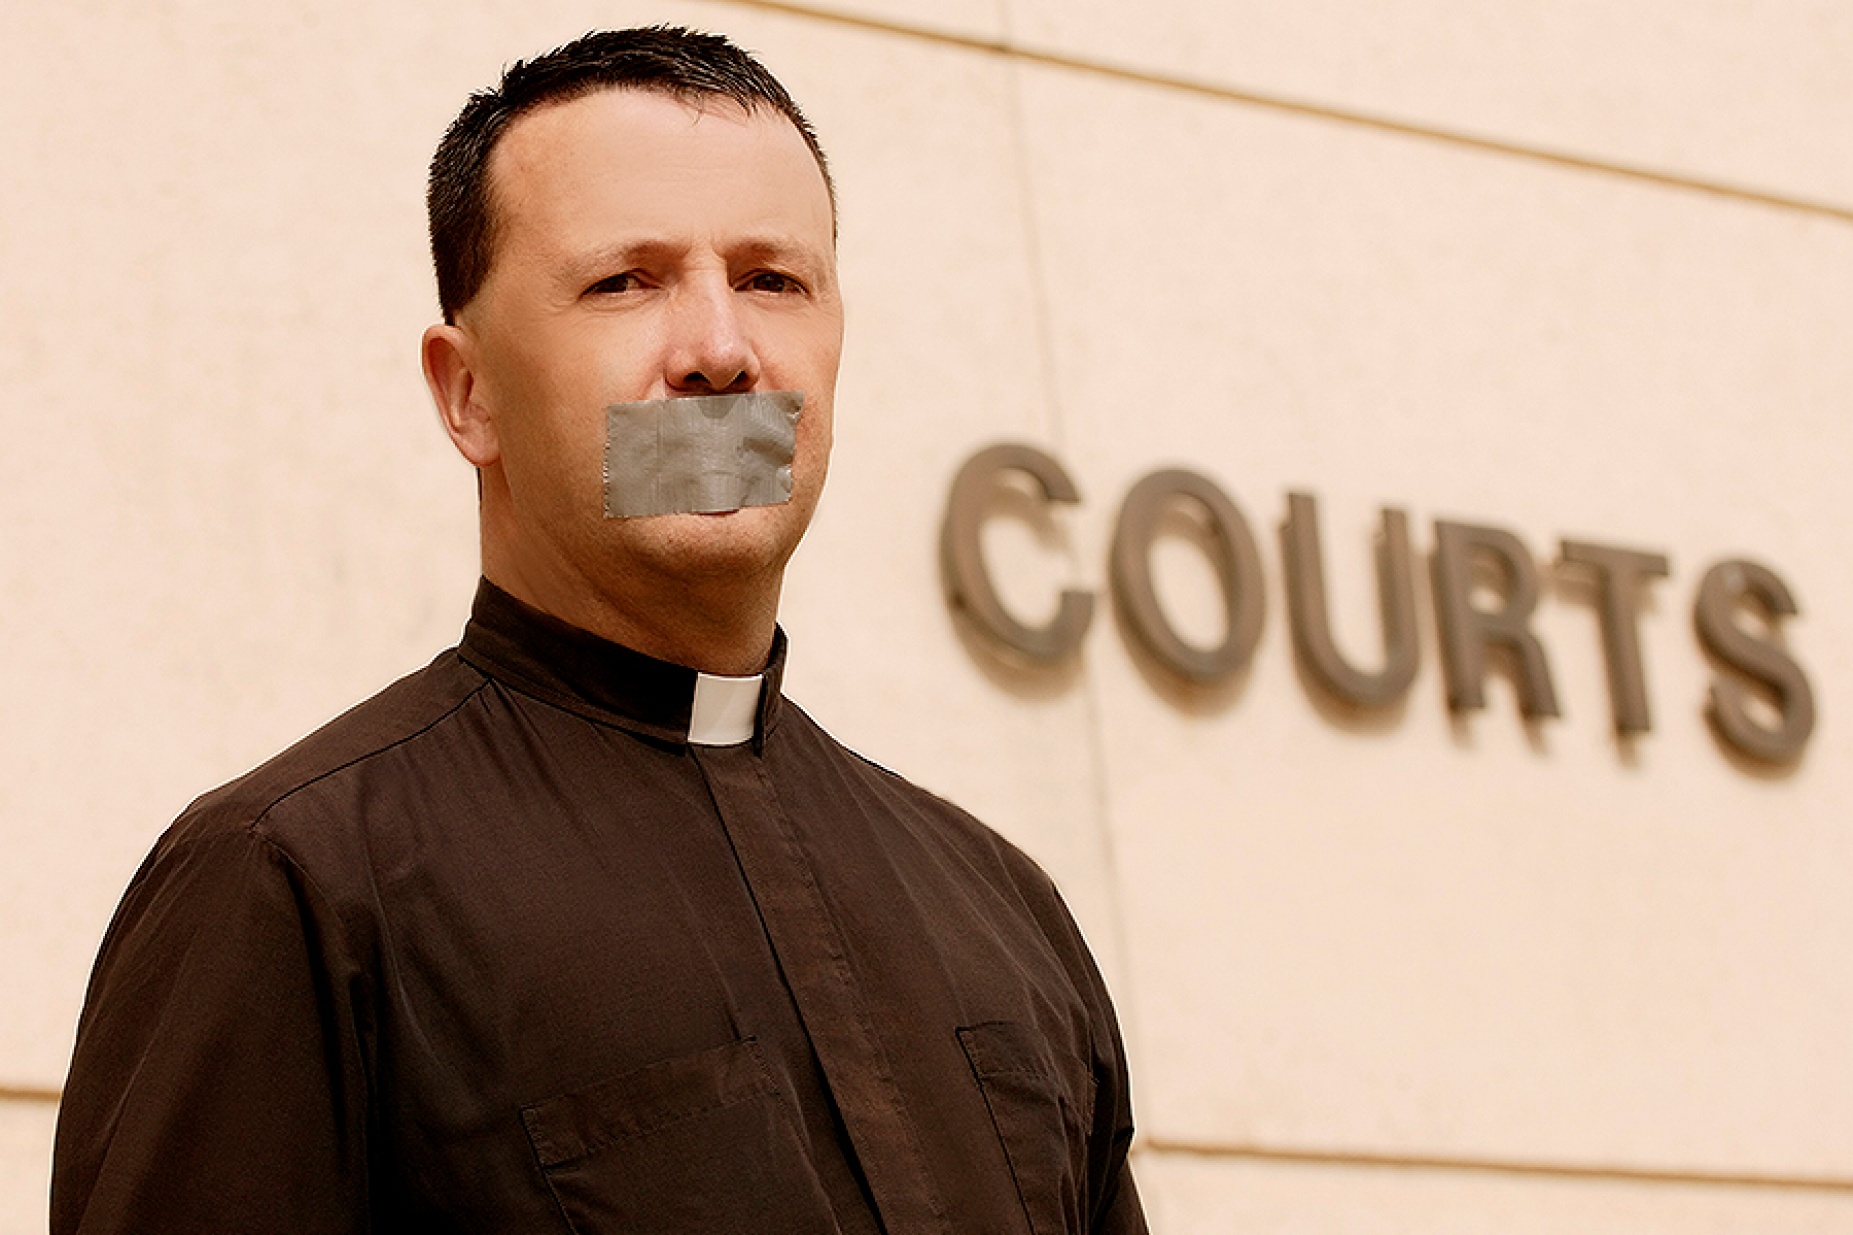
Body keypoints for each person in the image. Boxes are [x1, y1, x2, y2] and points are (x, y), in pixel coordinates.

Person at [51, 27, 1144, 1234]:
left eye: (772, 279)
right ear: (466, 392)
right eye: (625, 279)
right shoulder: (294, 881)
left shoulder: (998, 903)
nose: (719, 354)